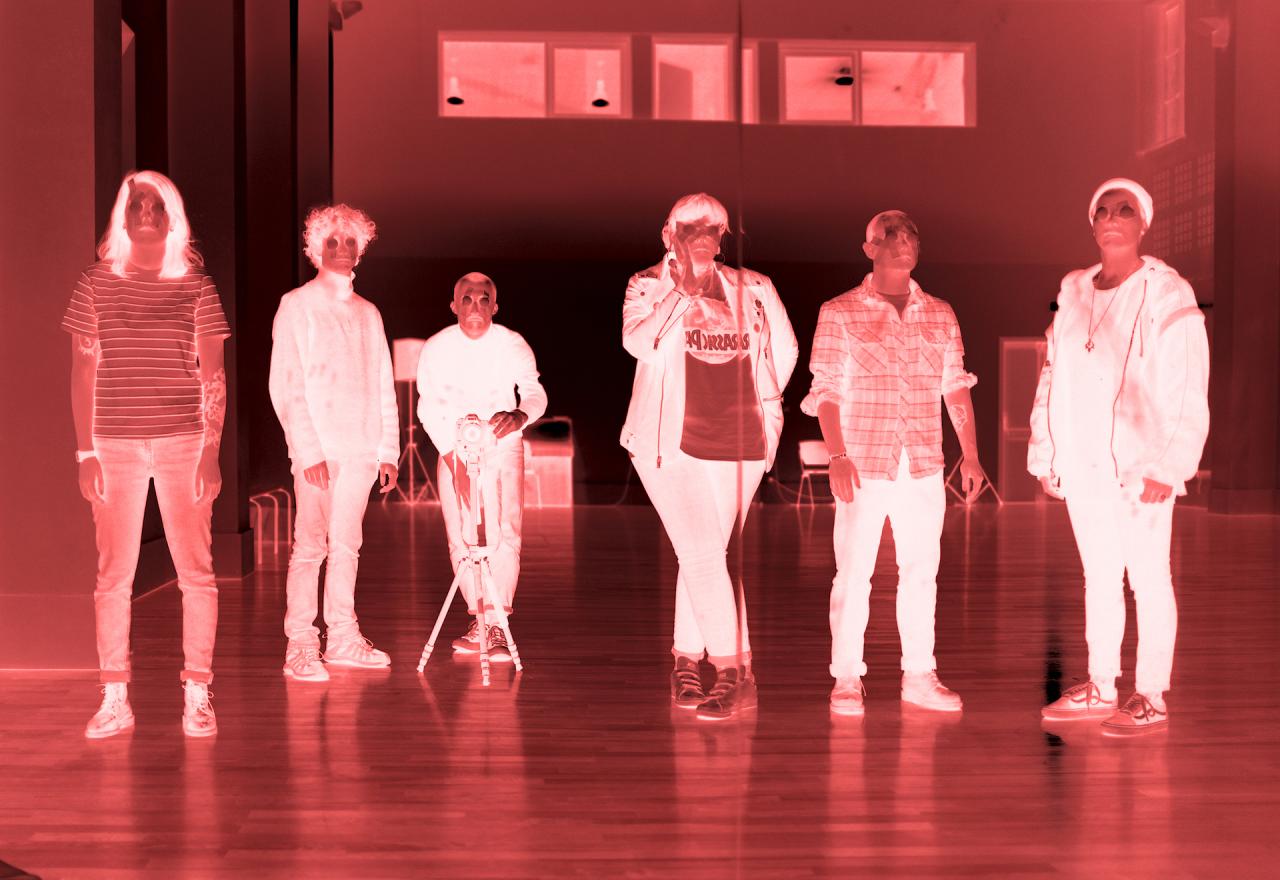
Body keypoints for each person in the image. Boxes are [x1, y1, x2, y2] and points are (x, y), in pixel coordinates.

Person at [1031, 178, 1209, 736]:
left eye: (1124, 209)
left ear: (1143, 223)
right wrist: (1046, 451)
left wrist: (1170, 463)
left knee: (1149, 578)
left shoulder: (1166, 291)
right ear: (1092, 224)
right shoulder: (1074, 289)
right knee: (1099, 576)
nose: (1112, 218)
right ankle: (1102, 685)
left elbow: (1187, 379)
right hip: (1084, 462)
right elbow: (1052, 373)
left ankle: (1151, 694)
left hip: (1141, 464)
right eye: (1102, 210)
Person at [64, 170, 229, 738]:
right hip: (113, 446)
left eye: (155, 204)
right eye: (136, 203)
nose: (145, 213)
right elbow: (83, 370)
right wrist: (85, 452)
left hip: (185, 443)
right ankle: (115, 697)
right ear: (123, 213)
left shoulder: (197, 286)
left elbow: (213, 375)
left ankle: (198, 692)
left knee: (196, 573)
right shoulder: (95, 283)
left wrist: (211, 451)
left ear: (171, 215)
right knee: (113, 575)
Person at [622, 193, 798, 721]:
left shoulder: (756, 287)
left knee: (705, 557)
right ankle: (736, 673)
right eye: (690, 226)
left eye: (712, 227)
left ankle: (685, 661)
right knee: (702, 554)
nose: (702, 235)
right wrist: (683, 292)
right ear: (668, 233)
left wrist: (761, 402)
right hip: (668, 444)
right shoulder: (646, 284)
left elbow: (784, 351)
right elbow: (640, 344)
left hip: (740, 444)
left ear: (723, 237)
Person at [802, 209, 983, 717]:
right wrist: (837, 455)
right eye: (891, 235)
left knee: (922, 572)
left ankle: (919, 675)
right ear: (870, 249)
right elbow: (826, 390)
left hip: (922, 462)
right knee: (853, 572)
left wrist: (971, 454)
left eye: (911, 235)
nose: (903, 242)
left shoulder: (940, 313)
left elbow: (955, 386)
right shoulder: (839, 312)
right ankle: (846, 678)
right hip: (863, 461)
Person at [269, 204, 400, 682]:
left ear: (360, 250)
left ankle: (343, 637)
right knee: (310, 547)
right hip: (319, 453)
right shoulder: (297, 305)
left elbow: (383, 383)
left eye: (349, 242)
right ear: (315, 248)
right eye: (332, 241)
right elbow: (286, 384)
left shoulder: (368, 313)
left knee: (348, 545)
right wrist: (307, 451)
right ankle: (301, 645)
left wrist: (387, 451)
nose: (341, 249)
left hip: (361, 450)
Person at [416, 272, 547, 662]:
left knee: (504, 530)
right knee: (462, 535)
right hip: (453, 446)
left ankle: (497, 623)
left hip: (502, 446)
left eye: (484, 298)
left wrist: (520, 415)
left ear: (495, 306)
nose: (476, 305)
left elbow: (534, 392)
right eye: (468, 299)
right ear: (454, 305)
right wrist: (453, 459)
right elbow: (428, 406)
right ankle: (481, 619)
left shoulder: (512, 344)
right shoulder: (437, 347)